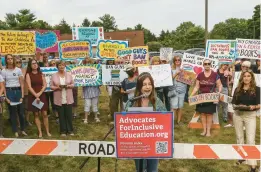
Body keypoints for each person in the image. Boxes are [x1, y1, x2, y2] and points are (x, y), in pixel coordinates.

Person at [126, 72, 166, 172]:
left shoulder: (157, 102)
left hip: (153, 142)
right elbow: (124, 121)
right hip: (137, 143)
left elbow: (166, 121)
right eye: (144, 84)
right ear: (139, 87)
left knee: (152, 170)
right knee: (140, 169)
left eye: (149, 84)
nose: (147, 87)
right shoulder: (132, 102)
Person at [232, 70, 260, 172]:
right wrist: (238, 106)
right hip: (238, 115)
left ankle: (253, 165)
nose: (246, 78)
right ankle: (242, 157)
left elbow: (259, 104)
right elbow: (233, 103)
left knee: (250, 140)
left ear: (251, 78)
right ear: (242, 78)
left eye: (248, 76)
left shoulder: (257, 89)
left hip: (250, 116)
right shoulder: (237, 89)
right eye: (245, 76)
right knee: (239, 138)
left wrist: (253, 106)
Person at [190, 59, 222, 137]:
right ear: (203, 65)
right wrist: (191, 95)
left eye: (208, 64)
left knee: (209, 114)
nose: (207, 65)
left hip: (211, 97)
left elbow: (220, 85)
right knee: (203, 114)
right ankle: (204, 130)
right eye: (205, 64)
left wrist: (219, 92)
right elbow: (196, 87)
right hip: (201, 97)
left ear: (210, 65)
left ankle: (208, 131)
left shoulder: (215, 75)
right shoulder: (200, 75)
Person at [2, 54, 27, 137]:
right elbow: (3, 85)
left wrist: (22, 96)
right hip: (9, 92)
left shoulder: (18, 70)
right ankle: (15, 130)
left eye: (11, 58)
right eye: (8, 59)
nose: (10, 60)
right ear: (6, 60)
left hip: (18, 91)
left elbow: (22, 84)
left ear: (13, 59)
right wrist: (6, 96)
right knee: (12, 113)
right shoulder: (4, 71)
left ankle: (23, 129)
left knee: (21, 113)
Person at [26, 59, 51, 138]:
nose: (35, 65)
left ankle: (47, 131)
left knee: (44, 113)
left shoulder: (41, 74)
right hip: (33, 96)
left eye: (36, 63)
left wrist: (39, 94)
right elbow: (29, 87)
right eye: (33, 63)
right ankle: (40, 132)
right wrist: (36, 95)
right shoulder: (28, 74)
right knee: (36, 114)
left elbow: (45, 85)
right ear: (30, 65)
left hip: (41, 95)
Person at [51, 61, 74, 136]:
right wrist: (57, 87)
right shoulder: (54, 75)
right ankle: (63, 131)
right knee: (61, 116)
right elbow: (51, 86)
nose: (61, 66)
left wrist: (68, 86)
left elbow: (73, 84)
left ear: (65, 66)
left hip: (68, 98)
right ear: (57, 66)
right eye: (60, 65)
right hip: (59, 99)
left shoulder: (69, 74)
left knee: (69, 115)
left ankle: (70, 130)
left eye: (63, 65)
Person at [168, 56, 187, 124]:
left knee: (180, 106)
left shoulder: (185, 69)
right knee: (174, 106)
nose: (177, 61)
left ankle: (179, 121)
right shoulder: (171, 69)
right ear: (174, 61)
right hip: (174, 90)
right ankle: (171, 122)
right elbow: (169, 80)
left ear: (181, 61)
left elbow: (190, 79)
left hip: (182, 90)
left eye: (179, 60)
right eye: (176, 60)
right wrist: (176, 73)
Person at [82, 58, 101, 124]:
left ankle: (96, 117)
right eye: (87, 62)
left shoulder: (97, 71)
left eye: (90, 62)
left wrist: (99, 82)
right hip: (87, 91)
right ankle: (86, 118)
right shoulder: (82, 71)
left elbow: (100, 83)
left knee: (94, 104)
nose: (88, 64)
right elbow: (80, 81)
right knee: (87, 105)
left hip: (95, 90)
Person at [16, 58, 32, 126]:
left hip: (25, 91)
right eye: (17, 62)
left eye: (20, 62)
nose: (19, 63)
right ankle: (19, 123)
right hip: (17, 91)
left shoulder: (25, 69)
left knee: (27, 108)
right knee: (17, 109)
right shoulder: (12, 70)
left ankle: (27, 121)